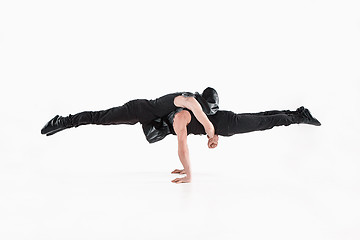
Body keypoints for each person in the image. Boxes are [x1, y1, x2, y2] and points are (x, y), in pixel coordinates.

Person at [41, 87, 321, 184]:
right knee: (100, 118)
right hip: (216, 124)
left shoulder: (188, 109)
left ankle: (297, 114)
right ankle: (63, 121)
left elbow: (195, 132)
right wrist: (210, 136)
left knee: (261, 120)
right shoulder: (177, 117)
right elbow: (186, 140)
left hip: (223, 124)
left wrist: (211, 134)